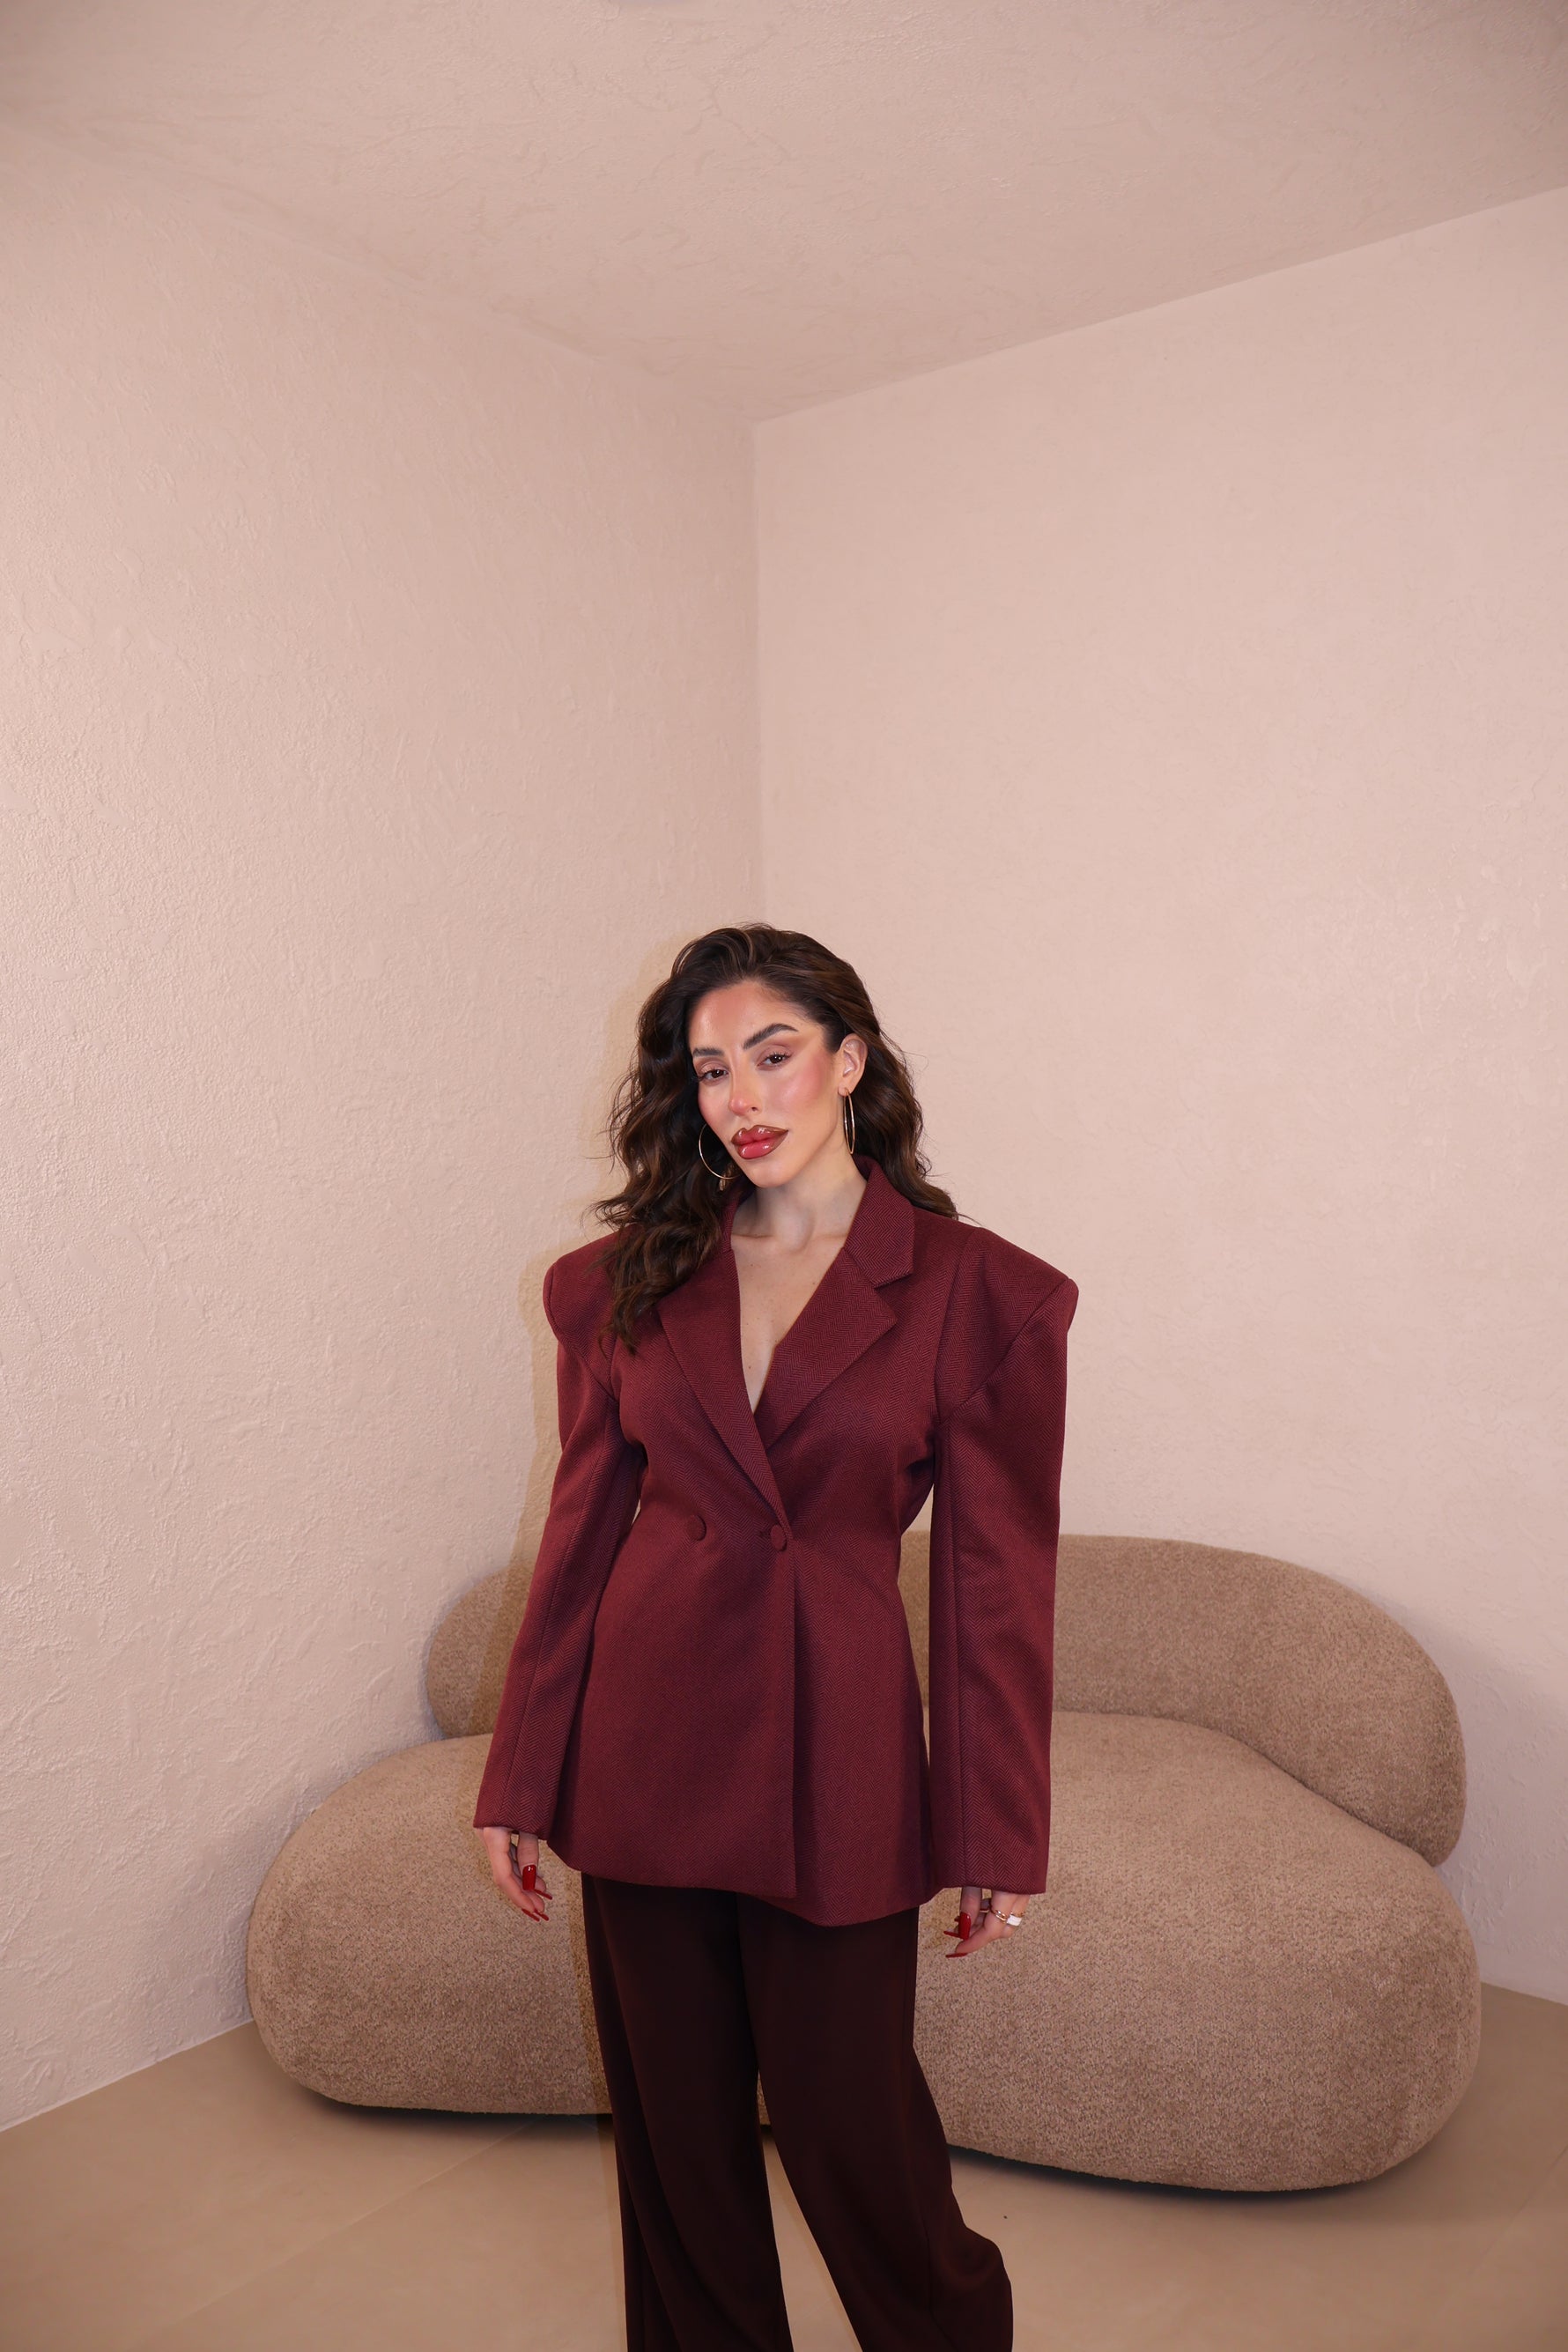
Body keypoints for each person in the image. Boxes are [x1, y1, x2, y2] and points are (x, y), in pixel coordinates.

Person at [474, 922, 1079, 2351]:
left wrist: (994, 1823)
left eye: (773, 1053)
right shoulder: (618, 1284)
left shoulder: (984, 1294)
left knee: (851, 2127)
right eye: (709, 1070)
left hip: (836, 1753)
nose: (742, 1096)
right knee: (678, 2149)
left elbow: (995, 1586)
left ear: (850, 1060)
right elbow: (580, 1538)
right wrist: (522, 1773)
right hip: (644, 1747)